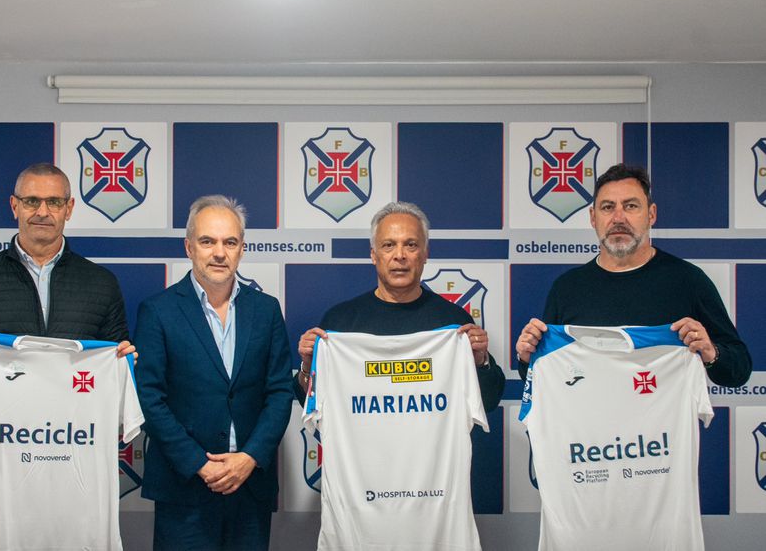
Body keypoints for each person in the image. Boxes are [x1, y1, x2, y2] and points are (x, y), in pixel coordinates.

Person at [134, 195, 293, 551]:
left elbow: (280, 392)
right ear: (189, 247)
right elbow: (149, 398)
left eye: (230, 242)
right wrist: (199, 464)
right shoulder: (158, 311)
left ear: (242, 248)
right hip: (184, 489)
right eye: (208, 241)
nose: (219, 253)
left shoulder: (266, 310)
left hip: (250, 486)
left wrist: (250, 457)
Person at [515, 163, 751, 387]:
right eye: (608, 207)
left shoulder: (688, 280)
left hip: (665, 417)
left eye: (630, 206)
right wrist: (527, 358)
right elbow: (543, 377)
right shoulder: (567, 288)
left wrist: (711, 352)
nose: (618, 218)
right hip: (588, 417)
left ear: (651, 214)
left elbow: (739, 370)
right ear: (593, 217)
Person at [295, 201, 506, 413]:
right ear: (373, 255)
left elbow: (487, 402)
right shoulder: (339, 322)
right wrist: (308, 366)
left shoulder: (454, 322)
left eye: (411, 245)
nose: (400, 255)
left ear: (425, 254)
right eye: (388, 245)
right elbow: (311, 404)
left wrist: (480, 362)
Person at [0, 162, 133, 389]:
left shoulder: (102, 283)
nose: (42, 212)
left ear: (69, 208)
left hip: (75, 410)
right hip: (3, 411)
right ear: (14, 206)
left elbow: (118, 373)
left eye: (54, 202)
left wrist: (125, 363)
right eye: (31, 201)